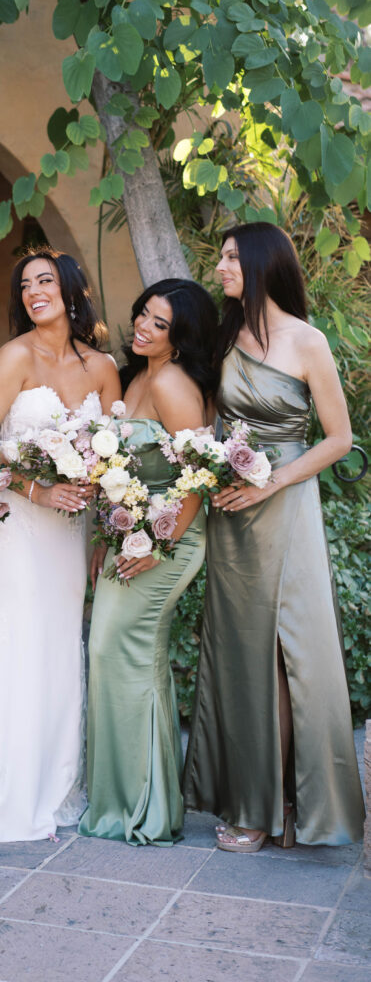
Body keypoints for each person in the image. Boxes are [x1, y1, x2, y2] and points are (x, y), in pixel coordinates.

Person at [183, 222, 365, 851]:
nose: (223, 267)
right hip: (231, 507)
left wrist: (273, 481)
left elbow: (338, 439)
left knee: (290, 659)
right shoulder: (226, 335)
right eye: (223, 257)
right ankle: (253, 800)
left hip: (283, 503)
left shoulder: (307, 341)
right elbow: (212, 421)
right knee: (240, 656)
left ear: (262, 263)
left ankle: (285, 806)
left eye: (233, 258)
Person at [0, 248, 121, 841]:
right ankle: (2, 796)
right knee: (15, 640)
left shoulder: (103, 368)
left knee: (59, 644)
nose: (34, 292)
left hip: (70, 531)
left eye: (45, 281)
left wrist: (107, 530)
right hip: (17, 523)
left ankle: (55, 790)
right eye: (25, 285)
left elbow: (114, 460)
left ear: (72, 289)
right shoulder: (14, 356)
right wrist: (38, 487)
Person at [78, 279, 218, 846]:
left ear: (180, 337)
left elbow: (198, 477)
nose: (143, 326)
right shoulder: (140, 375)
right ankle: (134, 799)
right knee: (121, 654)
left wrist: (156, 544)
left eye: (159, 323)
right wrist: (107, 539)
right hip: (131, 537)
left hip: (170, 541)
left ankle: (142, 807)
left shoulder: (175, 383)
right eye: (143, 314)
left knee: (119, 650)